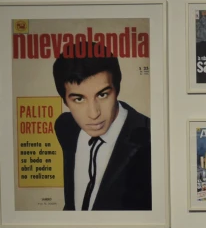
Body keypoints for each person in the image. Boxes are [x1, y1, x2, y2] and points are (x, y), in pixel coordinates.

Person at [53, 41, 151, 211]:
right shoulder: (65, 127)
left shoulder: (150, 137)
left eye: (103, 94)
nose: (93, 113)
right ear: (65, 101)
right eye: (78, 99)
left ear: (117, 90)